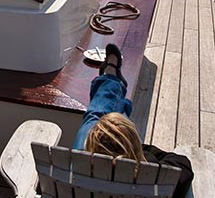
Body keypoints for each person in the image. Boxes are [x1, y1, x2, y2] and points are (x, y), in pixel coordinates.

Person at [74, 44, 194, 197]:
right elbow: (183, 164)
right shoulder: (156, 176)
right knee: (103, 119)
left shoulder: (76, 173)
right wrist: (139, 149)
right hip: (138, 172)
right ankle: (113, 79)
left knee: (97, 117)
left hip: (87, 177)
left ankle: (112, 79)